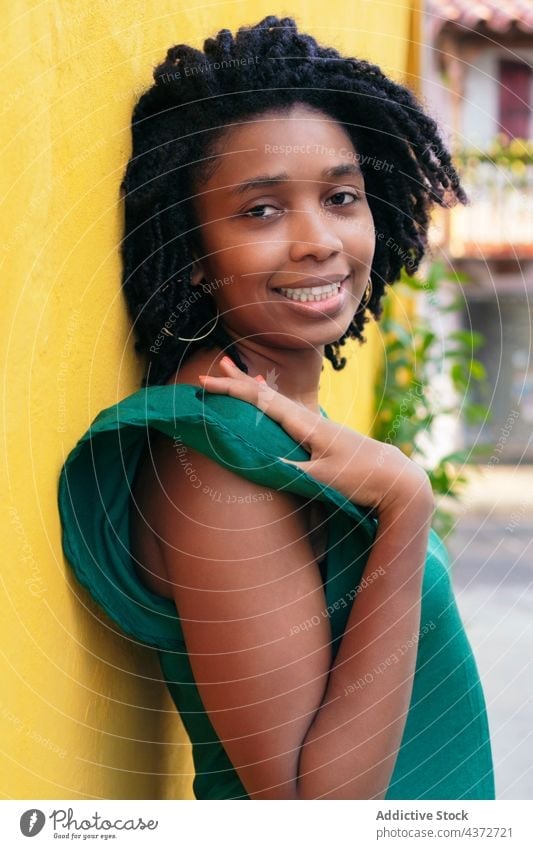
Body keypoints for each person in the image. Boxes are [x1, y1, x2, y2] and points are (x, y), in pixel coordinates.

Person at [57, 14, 495, 800]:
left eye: (339, 196)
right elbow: (311, 810)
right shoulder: (216, 460)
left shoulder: (273, 430)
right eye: (260, 211)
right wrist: (406, 503)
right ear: (193, 256)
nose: (317, 240)